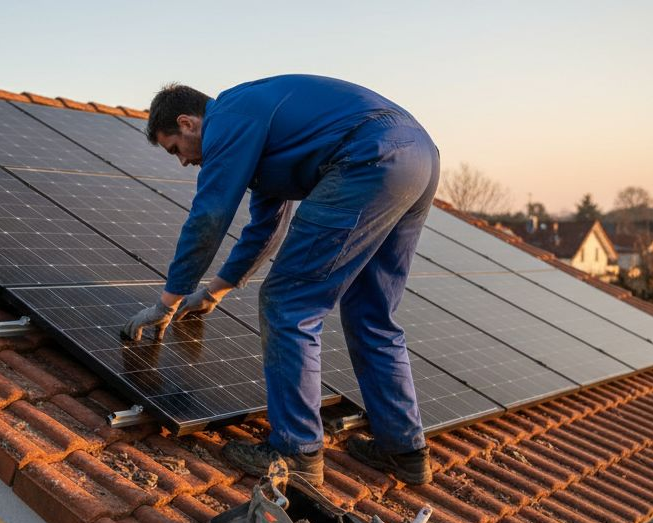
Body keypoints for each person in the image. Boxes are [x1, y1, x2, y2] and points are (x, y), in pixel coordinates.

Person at [121, 77, 439, 486]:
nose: (183, 162)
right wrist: (215, 291)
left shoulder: (228, 118)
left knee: (289, 303)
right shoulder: (257, 125)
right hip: (418, 157)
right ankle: (405, 450)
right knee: (370, 312)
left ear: (188, 123)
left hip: (367, 157)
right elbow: (266, 228)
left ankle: (296, 450)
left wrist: (168, 301)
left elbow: (209, 216)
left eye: (175, 149)